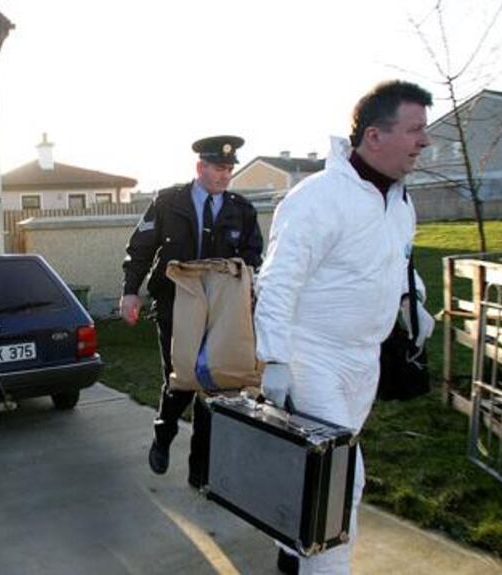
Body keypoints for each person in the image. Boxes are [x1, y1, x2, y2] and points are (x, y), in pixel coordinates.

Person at [254, 80, 436, 574]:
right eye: (415, 129)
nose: (424, 141)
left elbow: (391, 262)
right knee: (340, 480)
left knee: (314, 480)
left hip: (364, 361)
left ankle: (293, 558)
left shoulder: (400, 202)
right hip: (311, 357)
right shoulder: (316, 199)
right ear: (374, 136)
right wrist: (275, 359)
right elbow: (277, 283)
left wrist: (413, 303)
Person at [120, 135, 264, 489]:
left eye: (230, 169)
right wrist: (130, 293)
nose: (225, 175)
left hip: (221, 308)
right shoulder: (169, 202)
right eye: (218, 168)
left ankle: (200, 471)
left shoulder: (241, 209)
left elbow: (253, 258)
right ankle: (164, 433)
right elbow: (140, 248)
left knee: (212, 382)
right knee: (181, 377)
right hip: (175, 303)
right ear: (200, 167)